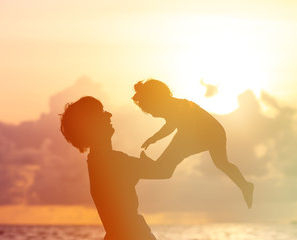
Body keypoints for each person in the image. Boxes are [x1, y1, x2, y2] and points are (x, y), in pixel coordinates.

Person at [60, 96, 174, 240]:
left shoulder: (97, 162)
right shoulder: (112, 162)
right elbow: (164, 170)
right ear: (91, 124)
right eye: (101, 112)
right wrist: (185, 135)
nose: (109, 114)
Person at [132, 79, 254, 208]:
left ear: (157, 100)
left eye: (150, 109)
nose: (151, 114)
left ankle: (245, 186)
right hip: (205, 134)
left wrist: (174, 153)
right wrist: (154, 138)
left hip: (210, 134)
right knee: (166, 169)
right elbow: (170, 126)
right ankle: (246, 186)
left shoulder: (180, 106)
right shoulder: (171, 107)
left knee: (219, 163)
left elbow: (186, 130)